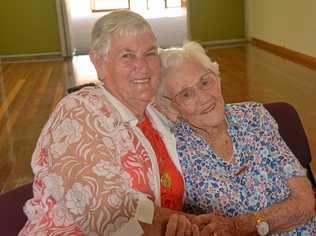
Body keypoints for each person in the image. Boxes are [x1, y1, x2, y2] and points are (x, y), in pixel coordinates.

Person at [19, 10, 198, 236]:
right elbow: (109, 215)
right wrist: (198, 223)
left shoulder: (154, 111)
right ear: (99, 63)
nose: (142, 66)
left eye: (150, 53)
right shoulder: (78, 113)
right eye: (127, 55)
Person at [157, 41, 316, 235]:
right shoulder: (173, 152)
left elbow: (305, 201)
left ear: (217, 78)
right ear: (171, 109)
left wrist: (241, 225)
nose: (205, 98)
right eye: (186, 94)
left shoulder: (255, 116)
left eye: (205, 82)